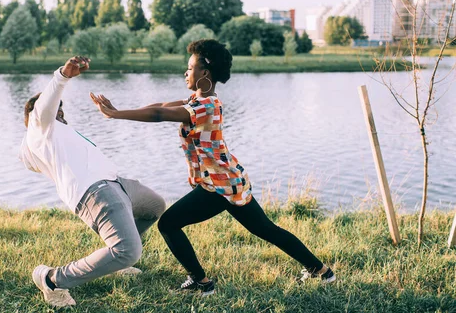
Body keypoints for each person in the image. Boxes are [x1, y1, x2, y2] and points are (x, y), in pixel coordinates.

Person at [91, 39, 335, 296]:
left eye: (190, 68)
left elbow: (159, 116)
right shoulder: (197, 101)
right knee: (266, 229)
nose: (186, 72)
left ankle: (201, 282)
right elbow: (161, 107)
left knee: (169, 224)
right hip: (228, 181)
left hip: (218, 186)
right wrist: (117, 110)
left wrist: (116, 115)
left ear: (204, 73)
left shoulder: (206, 106)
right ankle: (321, 271)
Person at [20, 56, 166, 308]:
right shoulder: (40, 128)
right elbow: (45, 106)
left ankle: (114, 260)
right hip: (95, 192)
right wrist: (62, 76)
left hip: (116, 183)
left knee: (154, 206)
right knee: (128, 251)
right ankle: (52, 279)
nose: (60, 111)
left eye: (62, 109)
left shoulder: (60, 133)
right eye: (56, 108)